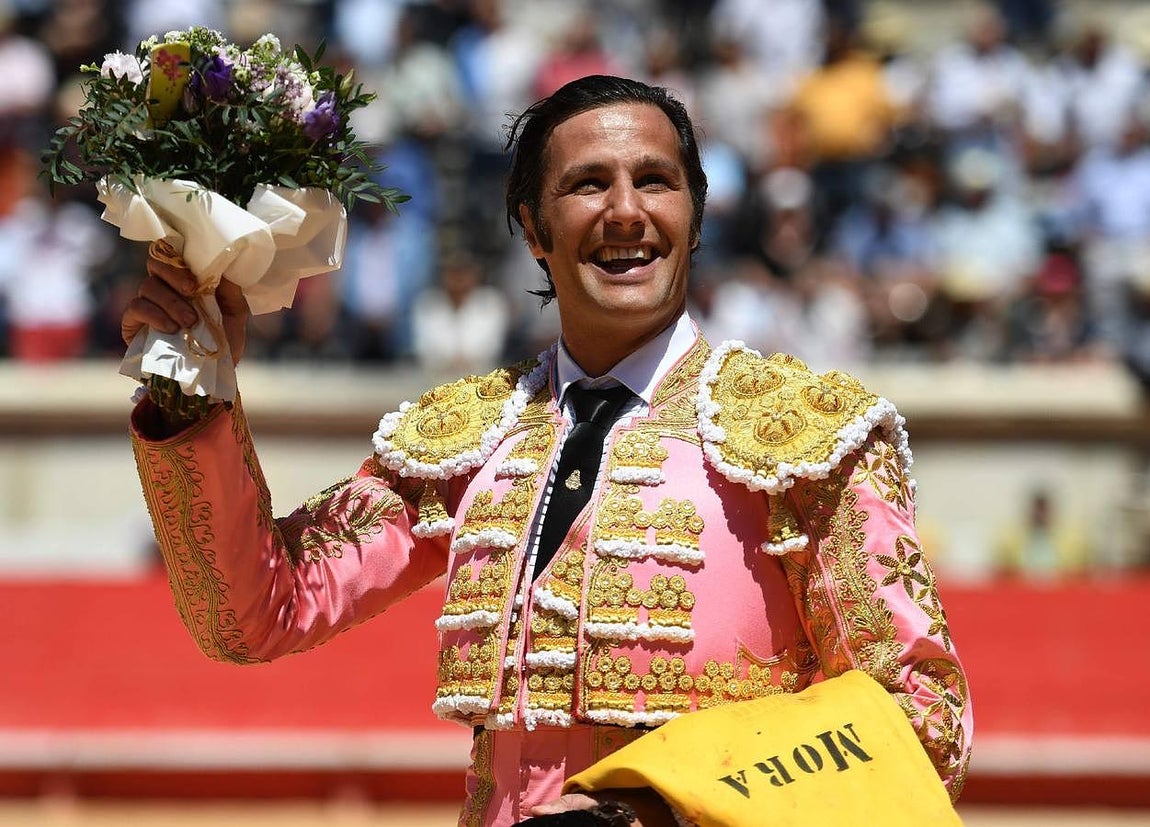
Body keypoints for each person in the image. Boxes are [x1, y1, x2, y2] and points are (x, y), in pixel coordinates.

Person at [122, 75, 972, 826]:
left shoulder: (806, 439)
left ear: (695, 217)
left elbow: (919, 718)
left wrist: (655, 811)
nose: (627, 211)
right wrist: (190, 383)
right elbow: (254, 613)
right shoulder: (467, 439)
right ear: (533, 227)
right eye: (587, 184)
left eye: (656, 182)